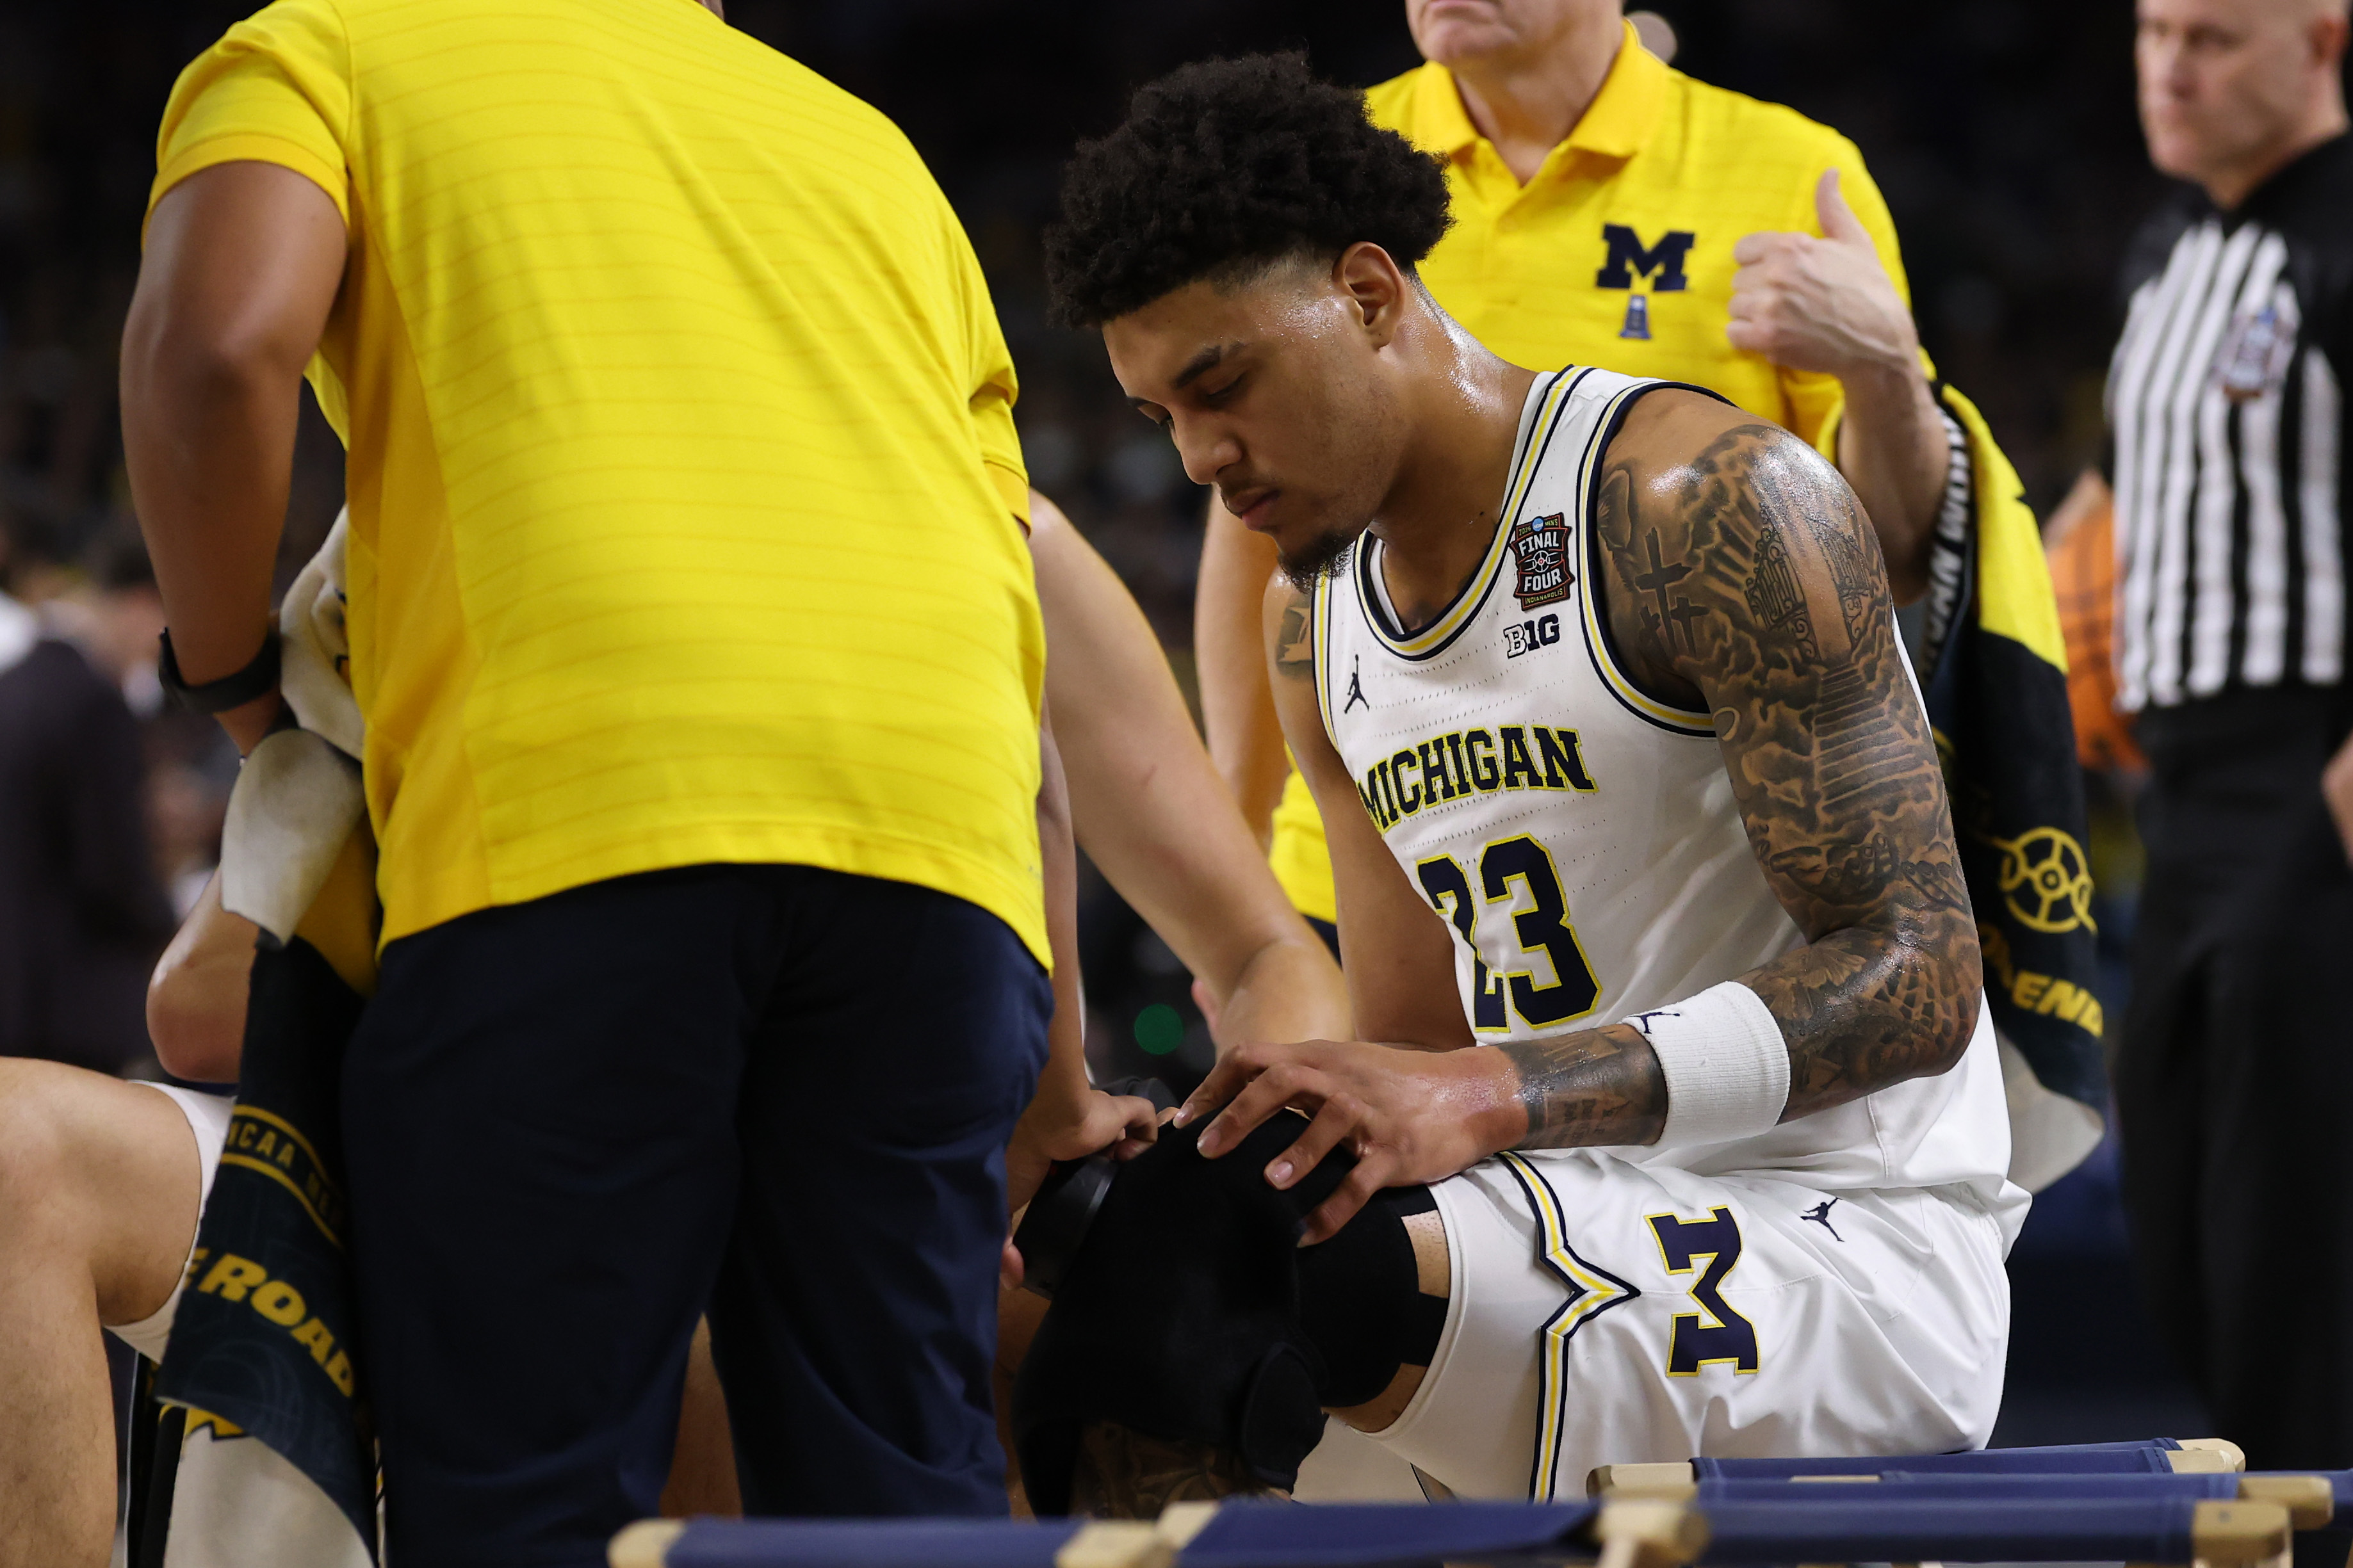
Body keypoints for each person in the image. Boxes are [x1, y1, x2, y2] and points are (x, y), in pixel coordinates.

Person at [117, 0, 1160, 1555]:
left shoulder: (324, 50)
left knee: (528, 1488)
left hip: (576, 813)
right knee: (901, 1486)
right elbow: (996, 643)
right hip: (935, 851)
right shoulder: (866, 148)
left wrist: (226, 676)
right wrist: (1060, 1077)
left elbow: (213, 349)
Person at [1022, 55, 2021, 1508]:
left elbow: (1918, 977)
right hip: (1558, 1193)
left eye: (1218, 383)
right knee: (1100, 1243)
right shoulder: (1314, 618)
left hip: (1834, 1228)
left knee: (1229, 1283)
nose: (1196, 458)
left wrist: (1490, 1091)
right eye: (1155, 413)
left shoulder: (1707, 503)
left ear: (1367, 293)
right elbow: (1408, 1048)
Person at [0, 499, 1346, 1564]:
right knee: (24, 1151)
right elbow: (195, 1003)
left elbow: (1264, 949)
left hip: (918, 1167)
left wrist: (1217, 1179)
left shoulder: (995, 529)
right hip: (542, 1146)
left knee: (1032, 1327)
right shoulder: (460, 521)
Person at [1198, 0, 1962, 935]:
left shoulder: (1788, 173)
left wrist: (1880, 365)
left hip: (1689, 883)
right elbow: (1254, 547)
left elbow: (1887, 552)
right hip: (1367, 878)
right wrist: (1238, 911)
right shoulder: (1321, 166)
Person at [2043, 0, 2353, 1478]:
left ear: (2321, 43)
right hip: (2172, 797)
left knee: (2288, 1217)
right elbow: (2108, 493)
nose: (2167, 65)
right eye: (2153, 31)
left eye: (2213, 37)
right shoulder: (2162, 248)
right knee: (2173, 1198)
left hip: (2309, 775)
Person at [0, 522, 176, 1076]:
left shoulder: (16, 685)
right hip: (73, 1007)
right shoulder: (94, 702)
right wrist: (174, 933)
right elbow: (114, 866)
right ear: (143, 604)